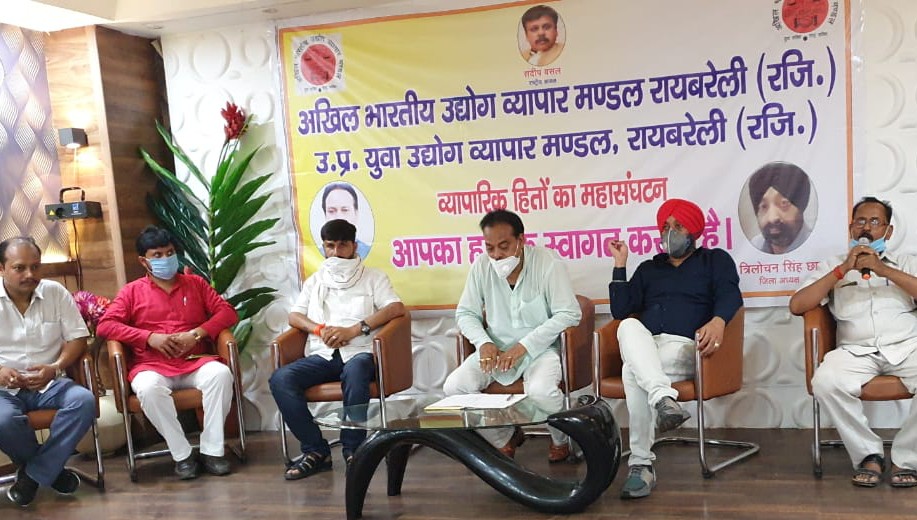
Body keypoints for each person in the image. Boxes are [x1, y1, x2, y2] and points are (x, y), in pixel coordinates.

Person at [607, 199, 742, 499]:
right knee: (627, 326)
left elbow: (730, 294)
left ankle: (642, 464)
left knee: (632, 372)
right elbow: (621, 309)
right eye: (665, 226)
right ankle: (662, 401)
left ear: (693, 230)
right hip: (649, 348)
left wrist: (719, 321)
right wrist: (620, 264)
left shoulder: (714, 261)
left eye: (678, 226)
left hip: (686, 348)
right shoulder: (649, 268)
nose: (670, 232)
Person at [789, 197, 917, 488]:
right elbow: (797, 305)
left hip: (908, 347)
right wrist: (842, 270)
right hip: (855, 352)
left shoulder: (907, 263)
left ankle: (907, 458)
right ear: (851, 228)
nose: (866, 228)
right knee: (825, 382)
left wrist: (884, 271)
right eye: (861, 221)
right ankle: (868, 455)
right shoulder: (833, 265)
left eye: (875, 222)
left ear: (888, 231)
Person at [97, 226, 239, 480]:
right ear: (144, 261)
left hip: (194, 362)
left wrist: (196, 334)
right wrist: (149, 338)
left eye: (170, 253)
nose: (166, 259)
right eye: (158, 255)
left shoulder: (195, 284)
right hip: (152, 365)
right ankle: (182, 455)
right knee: (148, 388)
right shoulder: (131, 291)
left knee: (220, 375)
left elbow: (227, 313)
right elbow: (105, 326)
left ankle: (213, 451)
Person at [270, 219, 404, 480]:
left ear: (354, 246)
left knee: (356, 371)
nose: (336, 252)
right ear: (324, 247)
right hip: (324, 355)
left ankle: (355, 450)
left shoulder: (374, 277)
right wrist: (320, 330)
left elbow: (395, 308)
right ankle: (315, 451)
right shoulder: (315, 281)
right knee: (281, 378)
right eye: (330, 246)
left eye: (342, 245)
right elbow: (295, 316)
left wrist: (353, 330)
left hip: (360, 352)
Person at [443, 209, 581, 462]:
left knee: (541, 391)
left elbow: (569, 314)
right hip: (495, 351)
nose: (496, 255)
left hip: (540, 350)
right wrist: (484, 342)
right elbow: (466, 313)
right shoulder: (481, 266)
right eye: (490, 248)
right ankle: (504, 437)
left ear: (521, 240)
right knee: (454, 387)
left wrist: (524, 346)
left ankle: (561, 439)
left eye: (504, 246)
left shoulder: (548, 263)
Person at [0, 237, 95, 507]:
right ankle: (51, 472)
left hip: (50, 383)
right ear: (1, 268)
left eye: (35, 266)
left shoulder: (55, 292)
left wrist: (55, 367)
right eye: (19, 268)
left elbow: (77, 338)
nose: (30, 274)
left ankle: (32, 476)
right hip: (4, 389)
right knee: (3, 420)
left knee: (84, 401)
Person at [747, 162, 813, 254]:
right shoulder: (754, 246)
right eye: (764, 206)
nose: (772, 218)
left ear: (801, 206)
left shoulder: (818, 246)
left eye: (784, 204)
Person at [320, 182, 371, 259]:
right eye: (331, 211)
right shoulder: (317, 261)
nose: (336, 253)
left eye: (345, 210)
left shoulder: (366, 251)